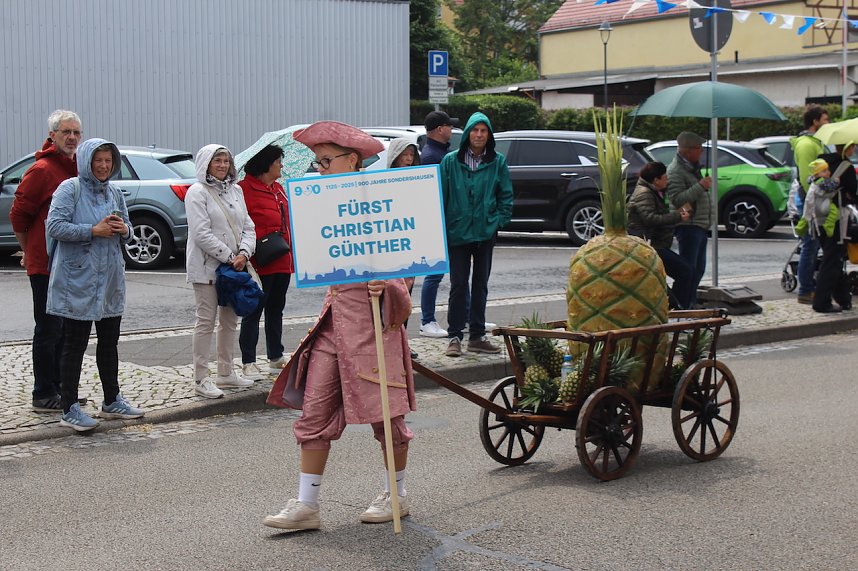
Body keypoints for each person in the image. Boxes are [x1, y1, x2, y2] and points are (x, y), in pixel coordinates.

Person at [264, 121, 416, 531]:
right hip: (333, 326)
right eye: (317, 162)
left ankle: (396, 494)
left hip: (374, 329)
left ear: (352, 160)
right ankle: (307, 505)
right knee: (314, 413)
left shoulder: (385, 201)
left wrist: (389, 285)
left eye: (326, 161)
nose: (320, 168)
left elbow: (408, 273)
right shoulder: (319, 203)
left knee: (387, 418)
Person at [45, 138, 144, 431]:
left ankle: (112, 400)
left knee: (109, 341)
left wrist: (124, 229)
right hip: (78, 279)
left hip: (110, 278)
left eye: (108, 161)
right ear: (87, 162)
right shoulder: (70, 189)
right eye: (98, 160)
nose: (103, 166)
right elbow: (54, 226)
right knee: (74, 344)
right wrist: (92, 230)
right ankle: (69, 408)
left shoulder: (114, 192)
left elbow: (129, 229)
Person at [9, 109, 81, 412]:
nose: (72, 138)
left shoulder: (77, 166)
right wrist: (29, 251)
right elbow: (18, 216)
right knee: (49, 329)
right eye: (66, 132)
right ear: (53, 135)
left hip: (69, 263)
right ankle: (43, 393)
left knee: (65, 330)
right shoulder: (41, 170)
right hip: (46, 265)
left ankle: (61, 389)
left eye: (76, 132)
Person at [440, 112, 513, 357]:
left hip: (484, 233)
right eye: (475, 130)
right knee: (458, 284)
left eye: (483, 131)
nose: (479, 135)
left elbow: (505, 195)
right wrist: (444, 225)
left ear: (489, 135)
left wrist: (498, 221)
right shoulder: (450, 161)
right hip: (457, 232)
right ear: (468, 133)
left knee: (481, 285)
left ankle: (477, 336)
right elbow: (441, 195)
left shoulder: (497, 161)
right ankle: (454, 336)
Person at [185, 145, 257, 399]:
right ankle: (201, 377)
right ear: (206, 163)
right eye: (217, 160)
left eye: (226, 161)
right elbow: (200, 232)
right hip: (207, 266)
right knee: (205, 321)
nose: (222, 165)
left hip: (234, 267)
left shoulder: (236, 190)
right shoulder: (197, 192)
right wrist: (229, 256)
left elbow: (248, 226)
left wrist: (244, 253)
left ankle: (226, 371)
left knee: (229, 320)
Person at [237, 145, 293, 380]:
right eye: (278, 161)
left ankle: (275, 356)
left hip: (282, 258)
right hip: (259, 260)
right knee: (254, 310)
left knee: (276, 309)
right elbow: (240, 225)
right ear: (266, 164)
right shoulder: (243, 189)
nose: (281, 165)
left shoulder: (278, 189)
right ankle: (248, 361)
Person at [628, 162, 695, 309]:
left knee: (680, 272)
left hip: (656, 244)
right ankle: (676, 308)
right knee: (684, 271)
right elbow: (650, 218)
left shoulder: (654, 191)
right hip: (649, 246)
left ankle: (676, 308)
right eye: (665, 178)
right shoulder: (644, 193)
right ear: (656, 180)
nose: (667, 180)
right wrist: (677, 216)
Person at [418, 111, 455, 338]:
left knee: (457, 272)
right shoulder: (432, 156)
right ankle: (427, 321)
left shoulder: (440, 153)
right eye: (449, 126)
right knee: (434, 273)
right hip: (438, 222)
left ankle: (463, 316)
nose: (451, 129)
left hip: (445, 220)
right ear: (440, 129)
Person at [667, 131, 713, 307]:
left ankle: (689, 302)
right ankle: (682, 304)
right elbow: (677, 199)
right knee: (688, 270)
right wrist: (700, 186)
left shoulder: (692, 168)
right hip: (688, 226)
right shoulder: (676, 171)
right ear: (688, 151)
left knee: (698, 269)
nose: (701, 152)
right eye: (698, 148)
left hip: (699, 225)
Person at [800, 158, 852, 313]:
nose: (828, 172)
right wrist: (837, 181)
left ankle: (844, 299)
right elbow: (835, 187)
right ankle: (822, 302)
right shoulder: (824, 181)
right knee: (831, 261)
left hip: (819, 223)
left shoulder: (815, 179)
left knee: (834, 260)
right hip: (830, 221)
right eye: (824, 171)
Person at [790, 105, 829, 305]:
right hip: (810, 203)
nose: (827, 123)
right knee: (810, 246)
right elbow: (808, 178)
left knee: (814, 246)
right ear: (815, 121)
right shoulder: (806, 144)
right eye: (825, 119)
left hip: (816, 201)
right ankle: (805, 290)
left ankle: (811, 287)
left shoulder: (814, 142)